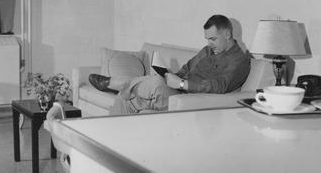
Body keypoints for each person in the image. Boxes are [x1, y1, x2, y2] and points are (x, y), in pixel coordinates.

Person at [89, 15, 251, 115]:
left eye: (213, 39)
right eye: (207, 39)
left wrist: (182, 83)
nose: (209, 43)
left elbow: (220, 85)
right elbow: (187, 68)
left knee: (155, 83)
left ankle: (112, 83)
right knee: (128, 99)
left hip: (191, 100)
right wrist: (172, 77)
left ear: (228, 34)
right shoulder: (208, 51)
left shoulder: (239, 60)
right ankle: (107, 140)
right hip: (176, 92)